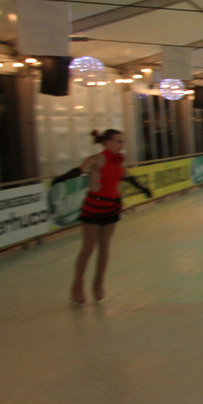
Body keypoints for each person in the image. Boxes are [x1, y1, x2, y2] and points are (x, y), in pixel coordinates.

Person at [52, 129, 152, 305]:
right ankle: (77, 283)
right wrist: (61, 179)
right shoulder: (96, 159)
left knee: (104, 246)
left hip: (112, 207)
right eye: (118, 141)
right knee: (89, 246)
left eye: (122, 142)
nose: (121, 145)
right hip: (94, 207)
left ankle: (98, 282)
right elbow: (80, 170)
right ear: (107, 142)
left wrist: (143, 189)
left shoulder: (119, 161)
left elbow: (128, 177)